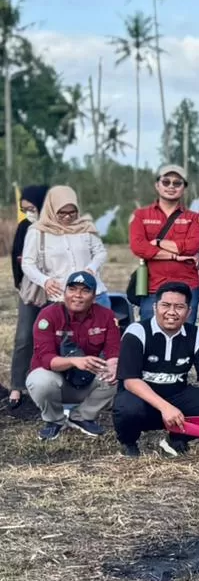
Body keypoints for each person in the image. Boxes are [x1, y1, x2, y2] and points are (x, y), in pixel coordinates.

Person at [112, 281, 199, 458]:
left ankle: (176, 438)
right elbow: (130, 381)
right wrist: (166, 408)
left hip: (177, 394)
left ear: (189, 311)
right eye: (165, 305)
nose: (171, 312)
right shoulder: (137, 331)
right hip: (142, 398)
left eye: (179, 307)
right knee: (127, 408)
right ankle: (129, 443)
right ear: (155, 307)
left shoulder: (197, 334)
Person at [26, 270, 119, 440]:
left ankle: (81, 417)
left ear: (94, 295)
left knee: (119, 376)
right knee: (39, 380)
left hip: (87, 378)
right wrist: (74, 361)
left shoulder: (106, 316)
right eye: (72, 289)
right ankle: (55, 420)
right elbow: (46, 359)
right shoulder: (48, 315)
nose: (77, 295)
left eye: (85, 290)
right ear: (64, 292)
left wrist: (113, 366)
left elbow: (114, 351)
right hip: (56, 381)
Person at [128, 164, 199, 325]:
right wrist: (177, 256)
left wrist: (158, 242)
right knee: (150, 338)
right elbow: (138, 247)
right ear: (157, 185)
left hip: (187, 288)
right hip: (152, 288)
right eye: (166, 182)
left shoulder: (194, 218)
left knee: (185, 340)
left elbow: (192, 247)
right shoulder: (141, 215)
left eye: (177, 183)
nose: (171, 186)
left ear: (184, 188)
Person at [21, 185, 109, 309]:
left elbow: (100, 252)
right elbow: (28, 263)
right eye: (62, 213)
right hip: (60, 298)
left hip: (95, 296)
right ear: (51, 208)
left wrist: (91, 268)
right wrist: (45, 281)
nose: (67, 217)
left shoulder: (85, 227)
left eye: (72, 212)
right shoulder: (38, 232)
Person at [9, 183, 48, 411]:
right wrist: (19, 284)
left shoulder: (57, 226)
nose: (29, 212)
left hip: (53, 288)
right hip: (29, 288)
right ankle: (17, 385)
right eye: (25, 208)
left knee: (51, 336)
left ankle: (46, 386)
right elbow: (16, 256)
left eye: (32, 207)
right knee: (24, 336)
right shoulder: (24, 226)